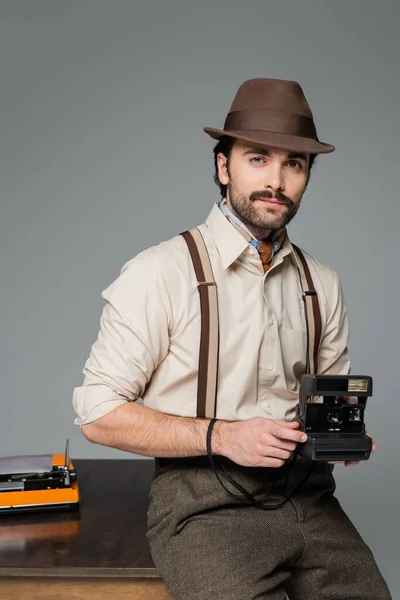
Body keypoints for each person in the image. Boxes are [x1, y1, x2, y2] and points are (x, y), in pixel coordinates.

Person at [73, 78, 391, 599]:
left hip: (310, 499)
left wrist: (338, 436)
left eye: (294, 164)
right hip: (204, 507)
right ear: (224, 167)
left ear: (308, 175)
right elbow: (98, 414)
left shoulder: (322, 282)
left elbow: (328, 398)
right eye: (258, 158)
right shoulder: (160, 273)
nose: (277, 181)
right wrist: (226, 436)